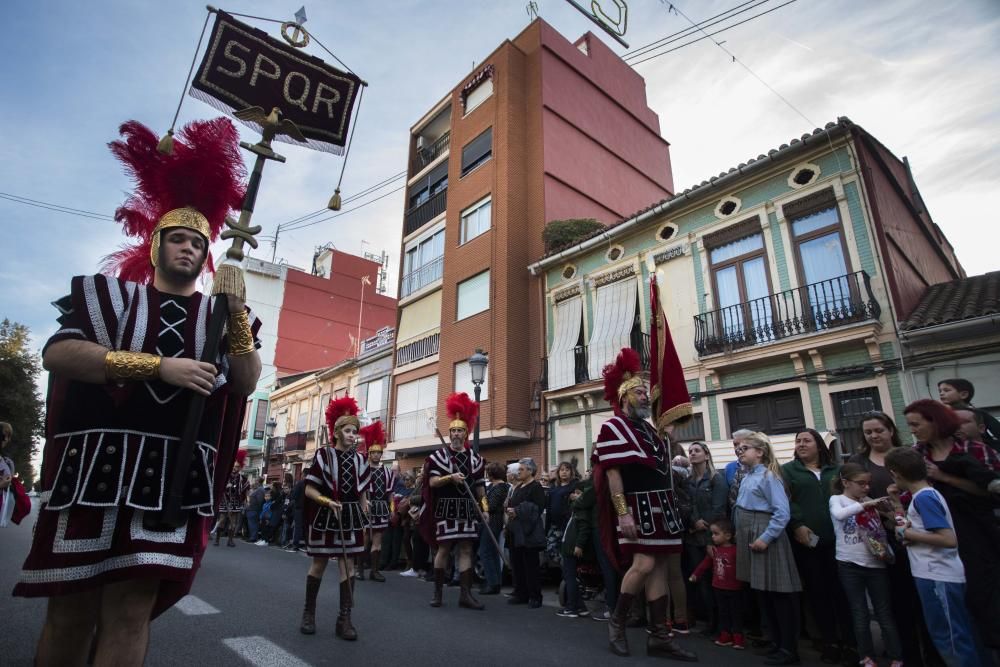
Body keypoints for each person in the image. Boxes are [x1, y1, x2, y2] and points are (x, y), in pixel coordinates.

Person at [12, 118, 261, 666]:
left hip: (172, 477)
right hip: (92, 471)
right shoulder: (109, 300)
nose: (188, 248)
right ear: (154, 246)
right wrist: (159, 368)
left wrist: (238, 314)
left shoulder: (221, 319)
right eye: (176, 237)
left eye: (198, 242)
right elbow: (58, 354)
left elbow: (244, 383)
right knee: (71, 607)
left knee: (130, 609)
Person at [591, 347, 697, 661]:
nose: (644, 396)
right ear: (624, 397)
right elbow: (612, 473)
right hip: (637, 508)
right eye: (638, 391)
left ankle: (660, 637)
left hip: (663, 506)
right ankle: (617, 623)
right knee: (645, 564)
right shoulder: (614, 427)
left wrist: (668, 437)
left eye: (645, 391)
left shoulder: (652, 430)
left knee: (661, 568)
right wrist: (622, 513)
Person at [905, 399, 1000, 654]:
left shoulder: (976, 451)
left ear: (935, 421)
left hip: (976, 536)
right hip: (938, 545)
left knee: (986, 605)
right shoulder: (915, 455)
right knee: (955, 615)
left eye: (916, 424)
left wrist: (943, 477)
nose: (912, 430)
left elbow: (990, 492)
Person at [849, 411, 939, 667]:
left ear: (890, 430)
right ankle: (907, 655)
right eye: (868, 432)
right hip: (881, 542)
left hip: (917, 537)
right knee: (895, 603)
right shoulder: (859, 461)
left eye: (879, 430)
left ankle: (933, 655)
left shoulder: (909, 455)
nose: (874, 436)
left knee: (924, 600)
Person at [885, 447, 982, 667]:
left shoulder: (924, 498)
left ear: (896, 473)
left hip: (939, 576)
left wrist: (907, 534)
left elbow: (948, 538)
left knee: (951, 639)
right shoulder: (924, 495)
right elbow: (925, 532)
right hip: (933, 574)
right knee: (951, 635)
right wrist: (898, 506)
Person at [299, 397, 370, 641]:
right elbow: (310, 490)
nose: (353, 435)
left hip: (350, 518)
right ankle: (309, 613)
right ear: (337, 432)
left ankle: (345, 619)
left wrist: (365, 508)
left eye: (355, 432)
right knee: (319, 563)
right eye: (348, 431)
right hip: (325, 515)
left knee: (348, 565)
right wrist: (327, 501)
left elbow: (361, 492)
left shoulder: (361, 460)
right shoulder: (323, 455)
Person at [782, 429, 854, 664]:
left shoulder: (835, 471)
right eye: (798, 441)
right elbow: (786, 500)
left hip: (839, 542)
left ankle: (851, 642)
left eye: (806, 440)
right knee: (818, 593)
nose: (801, 444)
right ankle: (829, 640)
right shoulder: (788, 471)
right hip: (807, 542)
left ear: (818, 445)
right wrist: (797, 524)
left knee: (842, 592)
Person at [733, 432, 802, 666]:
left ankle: (789, 648)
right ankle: (776, 642)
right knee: (764, 594)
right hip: (749, 532)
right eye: (739, 448)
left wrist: (766, 537)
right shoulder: (747, 476)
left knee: (779, 594)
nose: (740, 451)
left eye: (745, 448)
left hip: (764, 534)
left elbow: (782, 511)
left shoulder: (769, 476)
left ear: (760, 452)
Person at [829, 463, 903, 667]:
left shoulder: (869, 501)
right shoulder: (837, 499)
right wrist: (865, 505)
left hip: (875, 563)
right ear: (845, 482)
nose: (866, 488)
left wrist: (890, 506)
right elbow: (839, 515)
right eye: (861, 483)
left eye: (868, 484)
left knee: (884, 612)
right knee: (859, 611)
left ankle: (896, 656)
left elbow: (892, 520)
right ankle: (866, 656)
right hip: (848, 563)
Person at [419, 392, 486, 610]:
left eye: (460, 430)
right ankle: (438, 593)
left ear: (467, 433)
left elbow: (479, 486)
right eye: (453, 430)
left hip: (467, 508)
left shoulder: (476, 459)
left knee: (466, 549)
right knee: (444, 549)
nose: (456, 434)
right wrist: (450, 477)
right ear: (449, 434)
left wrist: (485, 508)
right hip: (445, 508)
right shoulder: (438, 457)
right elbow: (433, 483)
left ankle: (465, 595)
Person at [684, 441, 728, 637]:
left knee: (717, 581)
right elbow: (687, 505)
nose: (692, 454)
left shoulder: (716, 478)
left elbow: (720, 508)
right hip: (694, 538)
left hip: (713, 538)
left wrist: (708, 527)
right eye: (690, 451)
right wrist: (694, 523)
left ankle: (722, 623)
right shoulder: (689, 480)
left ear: (706, 455)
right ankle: (710, 621)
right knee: (700, 580)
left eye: (697, 451)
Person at [689, 518, 744, 650]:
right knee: (723, 612)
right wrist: (695, 574)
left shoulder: (736, 551)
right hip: (718, 587)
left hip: (735, 588)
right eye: (712, 534)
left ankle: (738, 637)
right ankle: (725, 635)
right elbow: (705, 564)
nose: (713, 537)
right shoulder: (715, 551)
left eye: (716, 534)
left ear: (728, 535)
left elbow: (743, 567)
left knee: (736, 613)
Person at [506, 458, 547, 608]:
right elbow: (512, 505)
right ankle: (520, 593)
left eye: (522, 469)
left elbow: (538, 508)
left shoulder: (536, 487)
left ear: (530, 471)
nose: (519, 472)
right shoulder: (518, 487)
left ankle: (535, 596)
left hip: (528, 533)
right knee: (517, 565)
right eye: (519, 469)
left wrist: (517, 511)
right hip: (515, 532)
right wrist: (510, 510)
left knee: (531, 566)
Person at [358, 420, 394, 582]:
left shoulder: (387, 472)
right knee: (365, 539)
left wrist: (392, 509)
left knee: (378, 541)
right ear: (369, 454)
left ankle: (374, 570)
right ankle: (359, 570)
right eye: (373, 453)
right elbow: (359, 489)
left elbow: (390, 493)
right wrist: (363, 503)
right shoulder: (363, 469)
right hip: (367, 506)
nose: (376, 455)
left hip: (381, 507)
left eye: (379, 453)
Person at [558, 477, 594, 618]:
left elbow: (584, 528)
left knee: (570, 578)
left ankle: (572, 607)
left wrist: (579, 545)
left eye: (578, 493)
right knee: (569, 576)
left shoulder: (582, 510)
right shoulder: (575, 510)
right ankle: (580, 607)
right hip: (568, 546)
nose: (574, 495)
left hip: (572, 548)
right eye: (574, 492)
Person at [938, 378, 1000, 451]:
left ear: (963, 394)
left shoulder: (978, 413)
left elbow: (997, 431)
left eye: (946, 390)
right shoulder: (942, 415)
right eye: (940, 391)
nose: (941, 393)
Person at [479, 461, 510, 595]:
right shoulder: (492, 486)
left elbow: (490, 505)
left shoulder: (502, 487)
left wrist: (480, 500)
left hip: (493, 522)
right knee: (491, 552)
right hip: (489, 521)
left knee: (486, 551)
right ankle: (495, 582)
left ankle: (493, 583)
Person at [246, 478, 266, 544]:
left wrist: (257, 509)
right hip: (252, 509)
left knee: (253, 524)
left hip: (254, 509)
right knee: (251, 523)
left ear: (259, 482)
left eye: (256, 480)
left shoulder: (260, 490)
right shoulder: (258, 489)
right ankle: (252, 536)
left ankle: (253, 537)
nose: (255, 482)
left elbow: (260, 501)